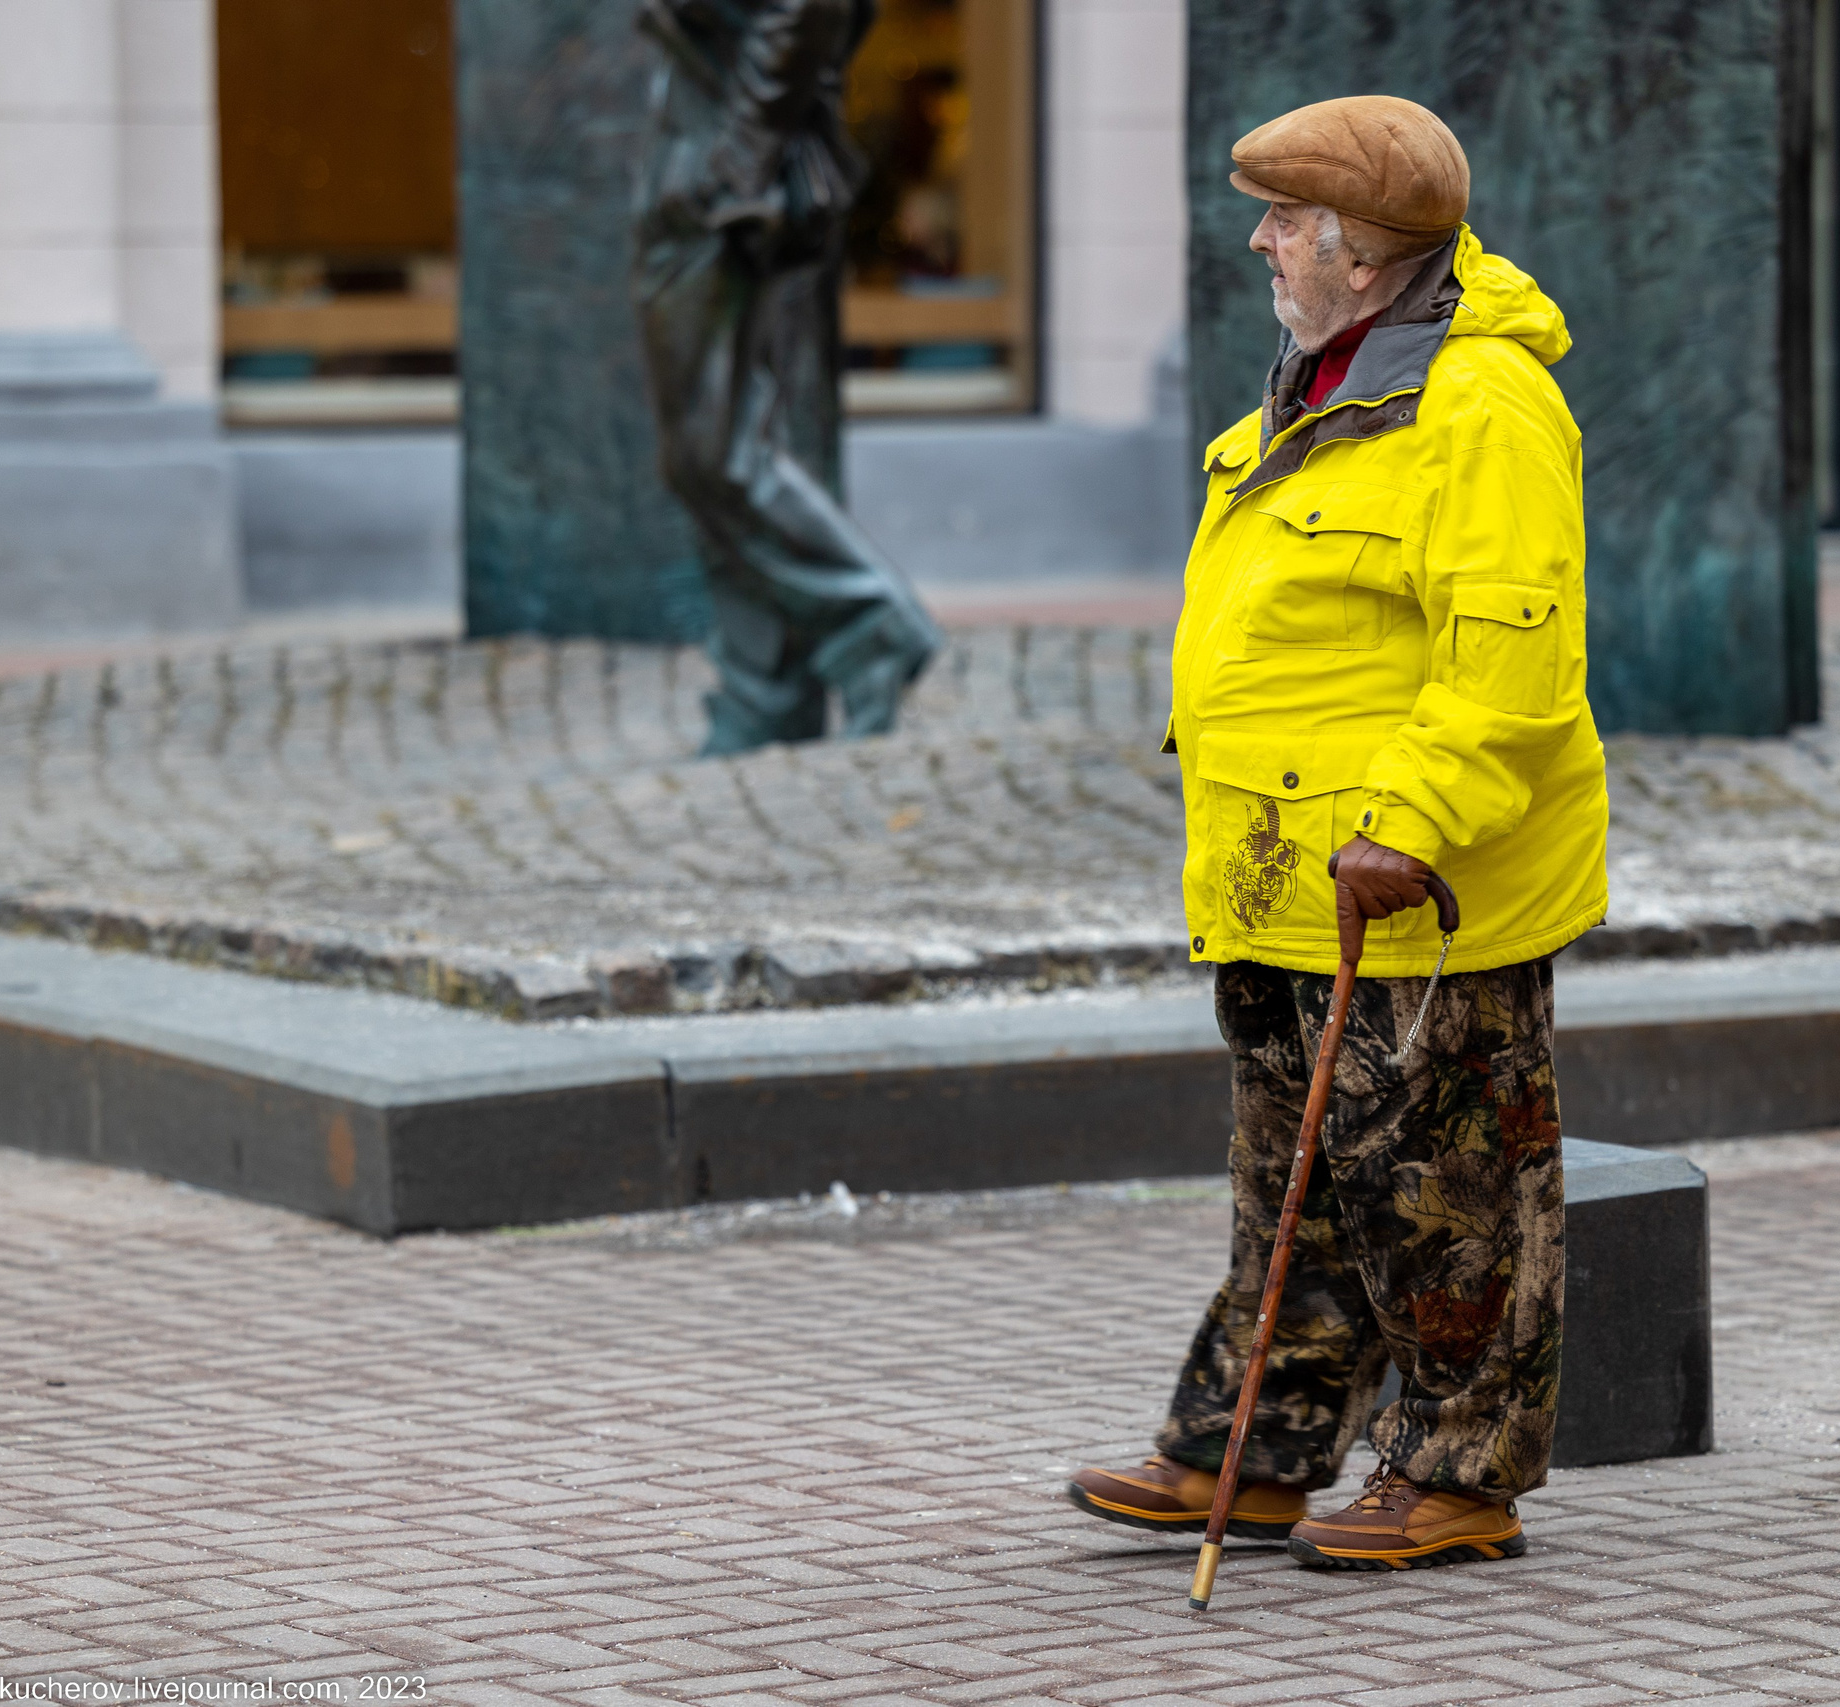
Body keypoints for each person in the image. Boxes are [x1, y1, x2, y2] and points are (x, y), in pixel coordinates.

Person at [1066, 95, 1607, 1573]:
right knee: (1294, 1198)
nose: (1258, 240)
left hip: (1411, 883)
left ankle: (1457, 1474)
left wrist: (1413, 821)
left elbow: (1512, 654)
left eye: (1285, 222)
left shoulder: (1480, 403)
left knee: (1446, 1202)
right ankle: (1246, 1450)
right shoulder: (1332, 379)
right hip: (1283, 880)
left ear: (1363, 254)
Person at [631, 0, 942, 756]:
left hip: (727, 176)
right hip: (703, 153)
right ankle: (761, 691)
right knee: (726, 441)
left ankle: (870, 620)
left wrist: (738, 164)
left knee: (716, 451)